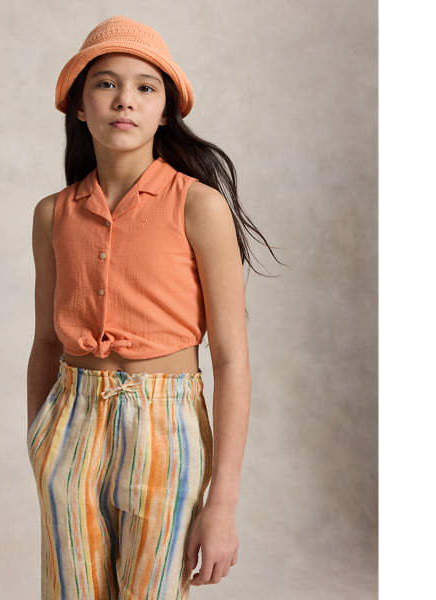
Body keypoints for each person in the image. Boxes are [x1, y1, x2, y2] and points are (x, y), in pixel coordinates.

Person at [26, 15, 278, 600]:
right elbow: (45, 341)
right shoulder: (52, 214)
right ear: (79, 106)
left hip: (167, 426)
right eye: (105, 83)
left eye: (146, 87)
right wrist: (41, 438)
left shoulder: (199, 206)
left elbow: (231, 359)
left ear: (165, 112)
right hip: (68, 423)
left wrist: (223, 502)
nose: (125, 100)